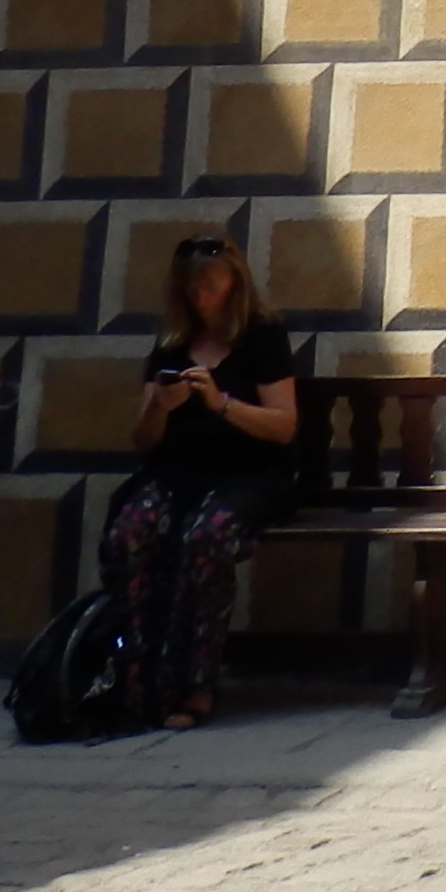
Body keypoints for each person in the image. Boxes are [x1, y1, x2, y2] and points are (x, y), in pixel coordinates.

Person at [109, 235, 299, 732]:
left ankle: (196, 684)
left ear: (235, 283)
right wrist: (159, 407)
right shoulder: (172, 342)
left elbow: (283, 427)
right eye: (193, 290)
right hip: (179, 471)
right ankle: (138, 681)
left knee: (205, 539)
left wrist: (221, 404)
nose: (202, 298)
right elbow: (144, 442)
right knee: (131, 533)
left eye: (212, 287)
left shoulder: (262, 336)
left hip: (250, 473)